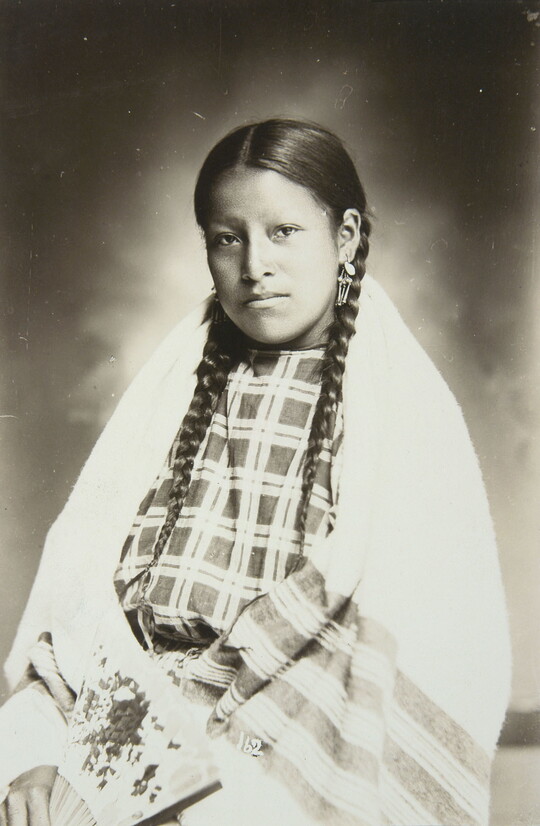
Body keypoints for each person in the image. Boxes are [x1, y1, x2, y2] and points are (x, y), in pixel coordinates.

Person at [0, 119, 511, 826]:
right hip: (120, 726)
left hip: (283, 746)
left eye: (284, 232)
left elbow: (397, 646)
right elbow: (83, 614)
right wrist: (35, 757)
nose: (254, 266)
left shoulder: (394, 414)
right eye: (227, 238)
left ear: (346, 237)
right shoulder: (176, 393)